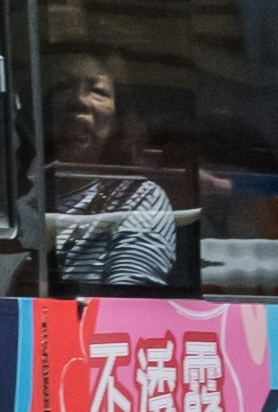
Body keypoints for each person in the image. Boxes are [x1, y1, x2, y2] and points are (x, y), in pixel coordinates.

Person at [46, 49, 185, 289]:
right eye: (63, 86)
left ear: (118, 118)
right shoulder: (21, 193)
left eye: (97, 91)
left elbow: (126, 305)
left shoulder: (138, 198)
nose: (78, 100)